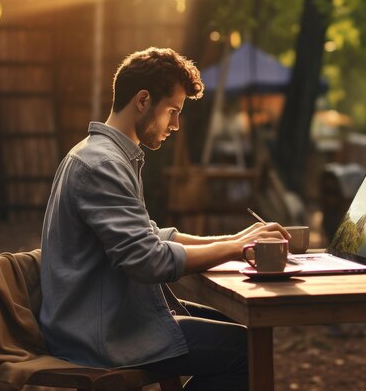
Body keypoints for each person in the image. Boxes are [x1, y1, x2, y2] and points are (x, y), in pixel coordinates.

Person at [39, 47, 289, 391]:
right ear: (143, 100)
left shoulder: (106, 156)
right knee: (248, 351)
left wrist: (233, 240)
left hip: (108, 317)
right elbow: (148, 260)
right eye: (173, 111)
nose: (175, 125)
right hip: (101, 334)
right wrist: (236, 249)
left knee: (243, 331)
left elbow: (150, 235)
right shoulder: (103, 165)